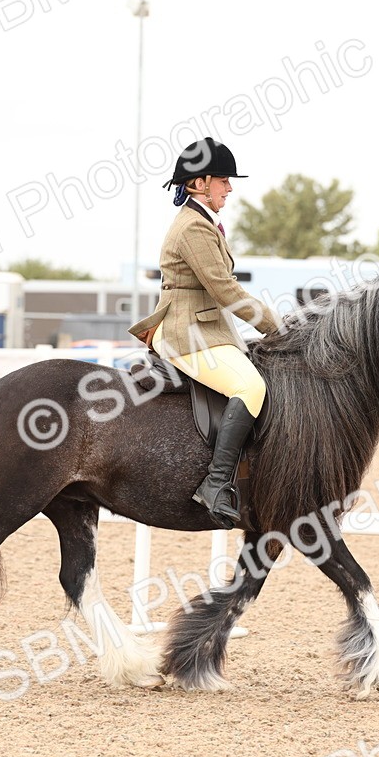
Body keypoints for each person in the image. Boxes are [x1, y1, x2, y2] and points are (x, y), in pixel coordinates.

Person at [128, 137, 281, 529]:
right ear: (199, 183)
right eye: (223, 181)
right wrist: (276, 327)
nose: (229, 188)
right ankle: (214, 485)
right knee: (250, 388)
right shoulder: (193, 228)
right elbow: (225, 290)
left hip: (205, 328)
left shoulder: (202, 223)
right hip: (187, 333)